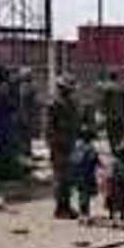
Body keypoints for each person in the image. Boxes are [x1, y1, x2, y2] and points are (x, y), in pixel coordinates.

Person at [48, 74, 81, 219]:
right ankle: (60, 208)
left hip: (69, 143)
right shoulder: (55, 104)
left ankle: (66, 205)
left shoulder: (71, 102)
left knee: (68, 178)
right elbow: (49, 128)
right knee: (61, 178)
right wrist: (54, 144)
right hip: (59, 146)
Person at [71, 126, 101, 226]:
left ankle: (81, 216)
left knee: (81, 195)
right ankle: (86, 216)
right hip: (88, 175)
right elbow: (96, 161)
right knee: (86, 196)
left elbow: (73, 160)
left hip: (78, 175)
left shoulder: (77, 147)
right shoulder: (90, 148)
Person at [100, 71, 124, 151]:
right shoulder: (121, 88)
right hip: (120, 115)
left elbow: (103, 101)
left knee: (111, 133)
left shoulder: (106, 87)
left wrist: (102, 112)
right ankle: (117, 148)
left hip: (110, 115)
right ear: (116, 77)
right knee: (118, 134)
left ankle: (113, 148)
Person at [105, 145, 124, 228]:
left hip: (117, 184)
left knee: (116, 202)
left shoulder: (115, 162)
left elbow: (110, 175)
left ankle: (116, 219)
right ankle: (118, 218)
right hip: (120, 184)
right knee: (120, 201)